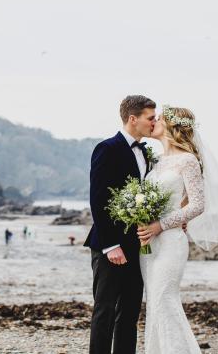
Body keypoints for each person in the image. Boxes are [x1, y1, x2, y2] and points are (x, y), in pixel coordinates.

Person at [137, 105, 218, 353]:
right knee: (154, 302)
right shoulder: (157, 161)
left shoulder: (187, 161)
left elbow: (198, 205)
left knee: (165, 299)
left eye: (159, 119)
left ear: (172, 126)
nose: (153, 122)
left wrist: (160, 225)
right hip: (150, 244)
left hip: (170, 242)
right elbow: (173, 200)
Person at [83, 95, 157, 354]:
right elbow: (98, 198)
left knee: (130, 313)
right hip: (109, 246)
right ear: (132, 118)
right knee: (104, 311)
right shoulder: (107, 148)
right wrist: (110, 244)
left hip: (137, 245)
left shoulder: (146, 153)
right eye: (150, 117)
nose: (154, 122)